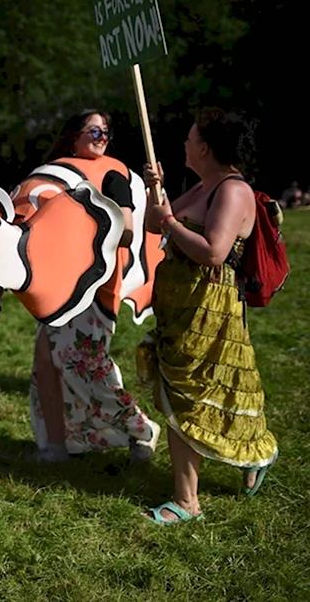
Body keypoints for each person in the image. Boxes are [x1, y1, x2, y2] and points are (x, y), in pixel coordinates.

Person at [138, 108, 278, 524]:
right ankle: (254, 456)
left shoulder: (234, 191)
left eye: (189, 137)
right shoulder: (204, 185)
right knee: (198, 394)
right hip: (180, 306)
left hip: (210, 311)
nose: (184, 143)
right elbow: (153, 223)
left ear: (205, 147)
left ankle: (186, 503)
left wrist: (170, 223)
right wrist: (155, 191)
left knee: (196, 395)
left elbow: (214, 251)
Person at [19, 110, 161, 464]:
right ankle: (56, 444)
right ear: (74, 135)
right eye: (94, 130)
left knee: (83, 365)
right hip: (57, 282)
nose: (102, 137)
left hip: (96, 285)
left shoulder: (115, 174)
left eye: (106, 132)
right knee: (46, 363)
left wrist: (89, 220)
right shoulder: (55, 172)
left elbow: (127, 232)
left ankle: (142, 428)